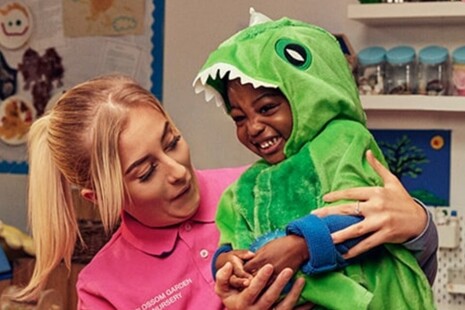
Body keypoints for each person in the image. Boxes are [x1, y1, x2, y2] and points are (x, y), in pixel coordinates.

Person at [15, 75, 436, 309]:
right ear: (97, 196)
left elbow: (390, 278)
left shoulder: (259, 187)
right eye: (145, 172)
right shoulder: (103, 287)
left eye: (172, 140)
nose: (179, 171)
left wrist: (418, 227)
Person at [193, 10, 436, 309]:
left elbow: (364, 216)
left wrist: (301, 246)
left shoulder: (342, 141)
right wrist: (227, 262)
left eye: (267, 108)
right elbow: (230, 237)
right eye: (239, 118)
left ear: (308, 96)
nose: (252, 127)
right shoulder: (245, 187)